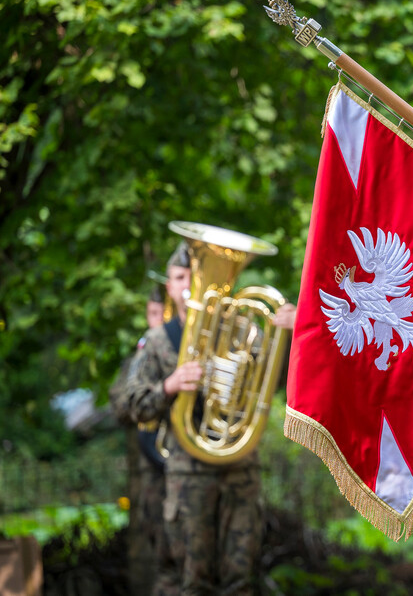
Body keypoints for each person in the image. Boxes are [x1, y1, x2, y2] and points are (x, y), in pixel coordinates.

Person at [120, 242, 297, 595]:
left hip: (239, 470)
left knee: (240, 582)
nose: (188, 285)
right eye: (179, 277)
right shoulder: (157, 341)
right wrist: (169, 386)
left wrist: (289, 335)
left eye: (193, 276)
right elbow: (131, 406)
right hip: (188, 473)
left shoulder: (242, 330)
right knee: (193, 583)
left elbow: (279, 380)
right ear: (169, 287)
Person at [110, 285, 170, 596]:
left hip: (193, 464)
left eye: (161, 313)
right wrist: (159, 393)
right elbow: (121, 405)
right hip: (153, 472)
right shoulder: (139, 357)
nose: (155, 319)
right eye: (151, 313)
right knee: (161, 550)